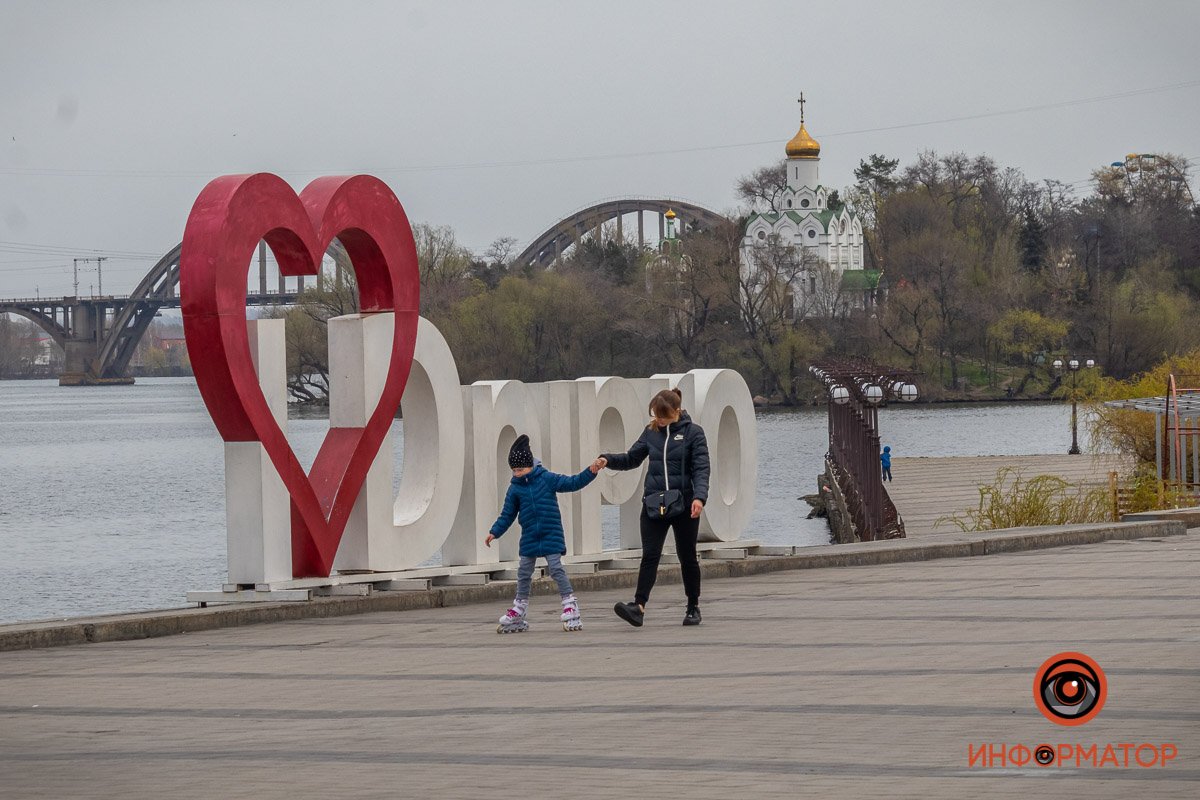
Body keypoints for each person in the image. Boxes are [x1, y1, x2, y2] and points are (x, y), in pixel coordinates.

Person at [602, 388, 710, 627]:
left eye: (664, 416)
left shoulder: (694, 434)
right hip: (654, 502)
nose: (659, 421)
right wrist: (607, 459)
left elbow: (702, 469)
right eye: (656, 415)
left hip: (684, 504)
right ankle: (638, 607)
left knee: (687, 556)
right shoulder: (651, 432)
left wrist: (699, 498)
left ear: (677, 412)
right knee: (650, 555)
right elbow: (632, 459)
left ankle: (693, 606)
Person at [486, 434, 605, 633]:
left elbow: (572, 483)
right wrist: (494, 532)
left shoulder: (547, 479)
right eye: (514, 470)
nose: (516, 473)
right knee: (524, 572)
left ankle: (570, 603)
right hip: (530, 536)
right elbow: (507, 515)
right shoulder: (514, 489)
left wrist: (591, 471)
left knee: (556, 569)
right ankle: (519, 607)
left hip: (551, 533)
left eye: (520, 469)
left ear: (530, 465)